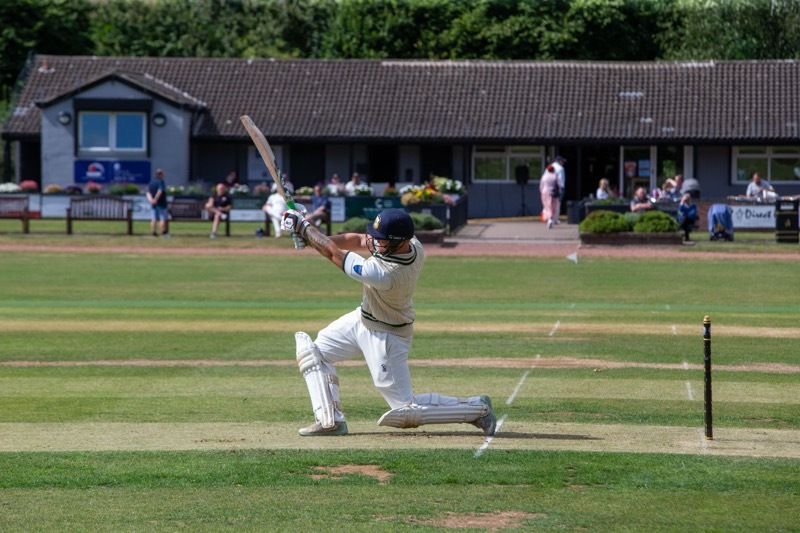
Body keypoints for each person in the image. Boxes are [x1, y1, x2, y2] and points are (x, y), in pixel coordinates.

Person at [278, 207, 496, 437]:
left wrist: (305, 227)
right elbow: (358, 239)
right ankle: (330, 421)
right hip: (362, 319)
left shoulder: (385, 273)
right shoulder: (411, 243)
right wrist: (311, 239)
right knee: (314, 353)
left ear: (396, 242)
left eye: (380, 240)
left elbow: (335, 254)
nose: (374, 242)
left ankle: (477, 408)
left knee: (405, 409)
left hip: (387, 336)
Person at [146, 168, 169, 237]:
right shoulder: (160, 182)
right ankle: (163, 232)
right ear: (160, 174)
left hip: (153, 204)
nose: (163, 175)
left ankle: (153, 232)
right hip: (161, 203)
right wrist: (155, 199)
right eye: (162, 173)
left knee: (153, 218)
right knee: (162, 218)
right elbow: (160, 191)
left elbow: (148, 192)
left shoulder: (151, 182)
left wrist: (151, 200)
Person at [539, 164, 561, 229]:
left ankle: (548, 219)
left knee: (547, 207)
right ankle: (551, 219)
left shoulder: (544, 176)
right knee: (553, 207)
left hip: (544, 193)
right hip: (553, 193)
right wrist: (559, 192)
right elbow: (559, 185)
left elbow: (541, 186)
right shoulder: (555, 176)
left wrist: (541, 192)